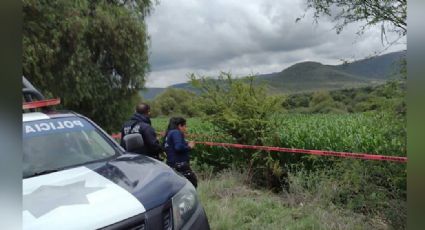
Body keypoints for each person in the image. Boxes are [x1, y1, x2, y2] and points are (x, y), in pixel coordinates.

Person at [164, 117, 198, 188]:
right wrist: (189, 146)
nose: (185, 129)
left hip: (171, 164)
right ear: (180, 126)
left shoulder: (168, 133)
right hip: (179, 166)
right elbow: (178, 147)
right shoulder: (176, 132)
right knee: (191, 185)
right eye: (185, 126)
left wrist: (185, 143)